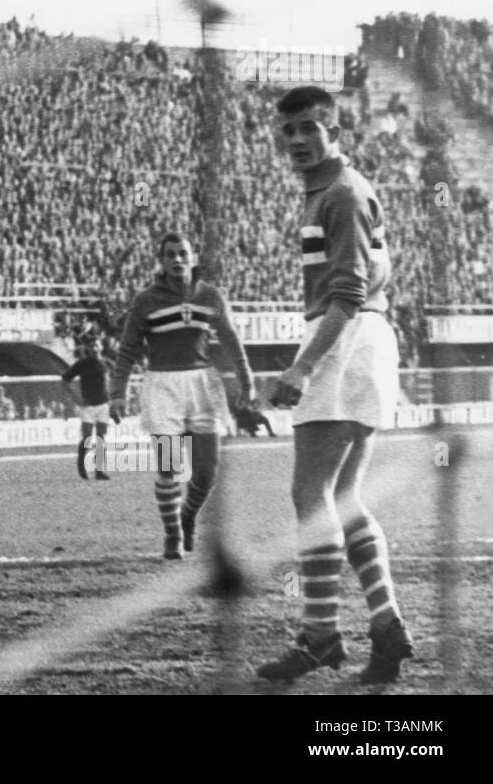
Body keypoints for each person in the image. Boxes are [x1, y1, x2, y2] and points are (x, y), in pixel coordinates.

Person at [257, 85, 413, 684]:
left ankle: (320, 635)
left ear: (335, 134)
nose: (296, 140)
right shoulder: (334, 192)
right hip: (367, 339)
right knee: (345, 499)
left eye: (309, 129)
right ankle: (387, 623)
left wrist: (302, 367)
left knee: (309, 495)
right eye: (288, 130)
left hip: (345, 337)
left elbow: (347, 293)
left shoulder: (342, 194)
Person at [108, 233, 254, 560]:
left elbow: (231, 340)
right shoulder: (147, 300)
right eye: (170, 255)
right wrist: (117, 392)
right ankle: (172, 534)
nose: (177, 260)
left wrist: (247, 381)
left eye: (183, 254)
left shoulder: (212, 296)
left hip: (202, 383)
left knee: (206, 473)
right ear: (161, 261)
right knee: (170, 468)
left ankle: (187, 514)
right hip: (163, 385)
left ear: (193, 258)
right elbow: (129, 348)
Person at [63, 339, 112, 481]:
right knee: (87, 437)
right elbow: (65, 380)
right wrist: (77, 399)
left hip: (103, 405)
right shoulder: (82, 364)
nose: (96, 348)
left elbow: (108, 382)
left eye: (98, 345)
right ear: (89, 349)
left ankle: (99, 471)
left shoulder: (105, 363)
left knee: (101, 437)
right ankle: (81, 465)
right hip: (88, 406)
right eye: (93, 346)